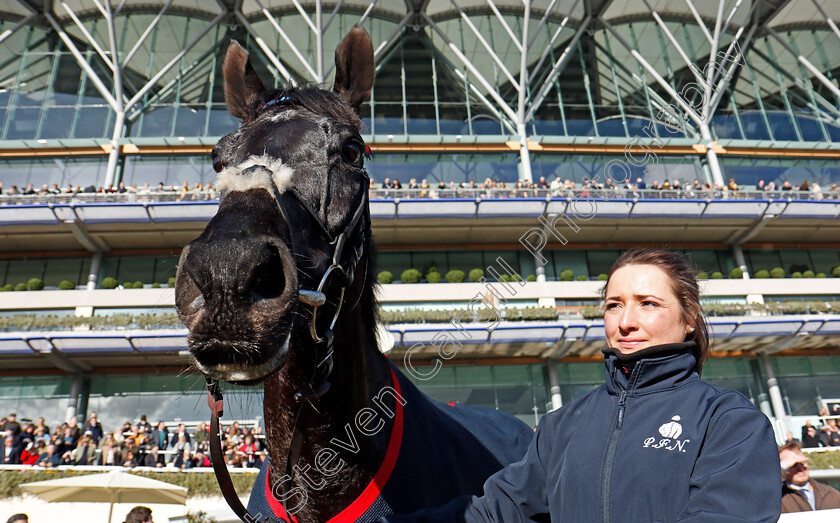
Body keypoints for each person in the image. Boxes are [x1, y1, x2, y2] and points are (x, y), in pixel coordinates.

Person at [381, 248, 781, 523]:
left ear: (690, 317)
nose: (625, 321)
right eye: (613, 304)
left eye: (648, 303)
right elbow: (496, 511)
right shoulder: (562, 425)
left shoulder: (730, 422)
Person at [780, 441, 840, 512]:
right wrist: (782, 467)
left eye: (802, 463)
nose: (800, 468)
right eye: (794, 465)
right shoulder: (778, 499)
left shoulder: (830, 494)